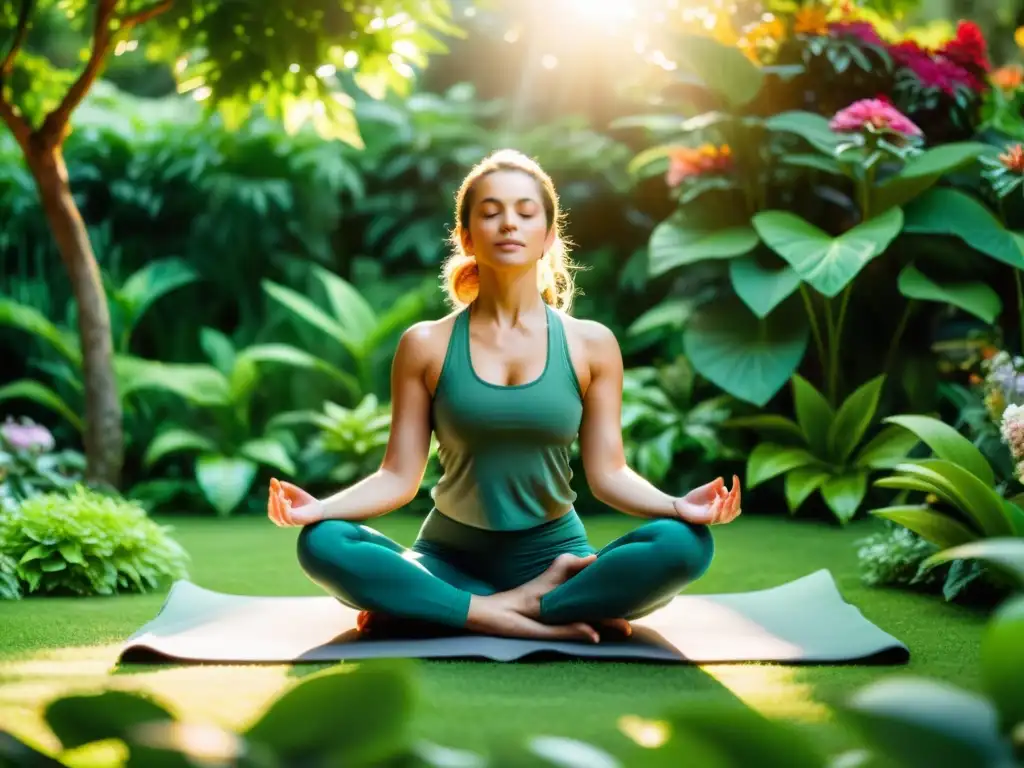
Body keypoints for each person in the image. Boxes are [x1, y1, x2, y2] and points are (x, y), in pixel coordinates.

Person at [267, 149, 741, 644]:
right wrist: (320, 510)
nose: (509, 224)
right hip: (446, 559)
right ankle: (517, 611)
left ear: (549, 235)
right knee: (322, 543)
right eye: (490, 213)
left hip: (558, 560)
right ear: (467, 237)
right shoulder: (426, 344)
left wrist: (675, 505)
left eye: (525, 212)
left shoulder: (591, 344)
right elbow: (397, 476)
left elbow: (609, 474)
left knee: (684, 545)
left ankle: (442, 610)